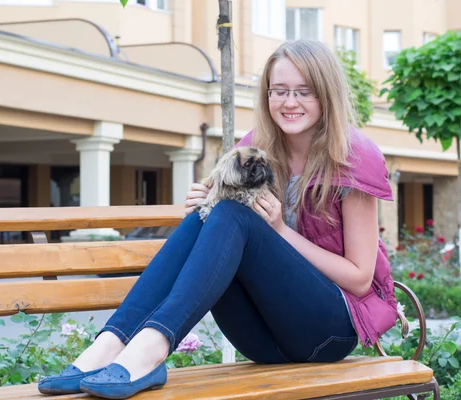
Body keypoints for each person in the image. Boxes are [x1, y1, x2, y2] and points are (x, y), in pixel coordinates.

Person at [38, 39, 398, 399]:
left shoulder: (352, 157)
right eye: (280, 91)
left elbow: (360, 279)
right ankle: (111, 343)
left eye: (304, 92)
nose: (290, 103)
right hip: (263, 341)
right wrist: (205, 198)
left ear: (326, 95)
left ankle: (151, 348)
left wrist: (281, 231)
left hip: (328, 332)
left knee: (230, 213)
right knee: (210, 211)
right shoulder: (258, 146)